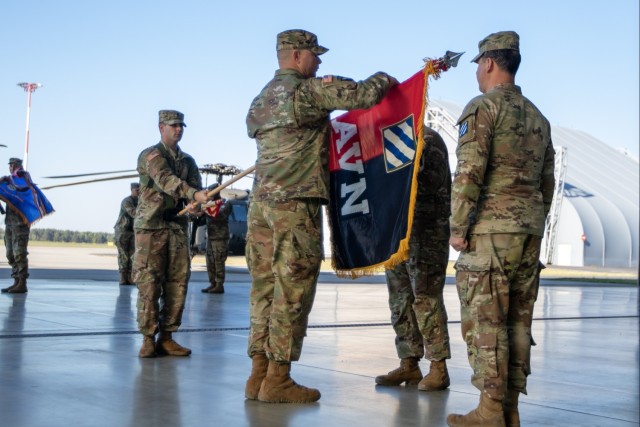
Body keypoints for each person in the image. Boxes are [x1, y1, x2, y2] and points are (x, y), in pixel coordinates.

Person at [244, 28, 398, 404]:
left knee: (264, 290)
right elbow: (362, 94)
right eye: (315, 54)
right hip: (294, 208)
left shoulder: (261, 99)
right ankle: (278, 379)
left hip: (260, 208)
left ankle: (258, 376)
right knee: (292, 292)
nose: (319, 61)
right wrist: (386, 79)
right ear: (297, 55)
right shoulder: (308, 92)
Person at [446, 31, 555, 427]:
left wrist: (458, 227)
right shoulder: (538, 117)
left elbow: (469, 172)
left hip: (490, 233)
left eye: (478, 63)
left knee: (486, 321)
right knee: (518, 322)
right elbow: (547, 181)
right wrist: (533, 226)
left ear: (489, 62)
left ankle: (490, 412)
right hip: (527, 233)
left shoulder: (483, 108)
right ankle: (510, 410)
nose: (476, 70)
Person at [375, 127, 452, 392]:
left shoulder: (426, 139)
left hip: (425, 231)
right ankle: (409, 363)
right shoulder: (385, 142)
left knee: (425, 298)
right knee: (399, 300)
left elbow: (429, 182)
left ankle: (438, 368)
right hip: (396, 233)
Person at [133, 109, 211, 358]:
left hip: (177, 228)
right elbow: (166, 180)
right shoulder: (151, 155)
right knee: (149, 283)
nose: (178, 129)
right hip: (151, 228)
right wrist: (193, 195)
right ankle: (147, 337)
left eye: (181, 126)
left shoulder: (188, 161)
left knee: (178, 283)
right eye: (173, 125)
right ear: (161, 127)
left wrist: (200, 205)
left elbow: (196, 192)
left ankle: (167, 337)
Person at [1, 158, 31, 294]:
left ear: (19, 166)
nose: (11, 167)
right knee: (10, 254)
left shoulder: (23, 178)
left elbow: (19, 189)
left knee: (20, 253)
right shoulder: (10, 180)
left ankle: (22, 283)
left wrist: (5, 183)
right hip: (10, 223)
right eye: (10, 165)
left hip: (20, 224)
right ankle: (16, 281)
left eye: (14, 165)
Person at [201, 183, 232, 294]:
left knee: (219, 261)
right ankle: (212, 283)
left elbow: (219, 215)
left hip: (220, 237)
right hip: (210, 236)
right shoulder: (209, 204)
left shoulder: (224, 203)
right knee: (210, 261)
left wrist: (207, 210)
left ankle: (219, 284)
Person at [114, 182, 139, 286]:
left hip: (133, 231)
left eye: (140, 190)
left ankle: (130, 278)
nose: (139, 192)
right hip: (123, 231)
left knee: (132, 255)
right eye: (137, 190)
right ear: (132, 190)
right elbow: (133, 213)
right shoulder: (127, 201)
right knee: (123, 255)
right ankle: (123, 278)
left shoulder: (141, 202)